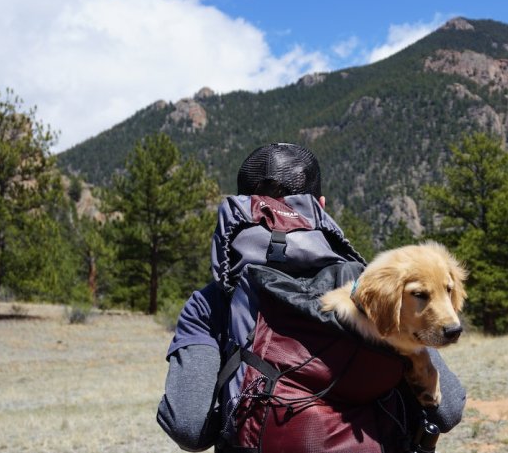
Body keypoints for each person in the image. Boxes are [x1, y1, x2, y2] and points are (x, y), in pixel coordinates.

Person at [157, 143, 466, 452]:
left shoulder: (210, 302)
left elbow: (189, 428)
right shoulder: (371, 289)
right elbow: (447, 410)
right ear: (320, 205)